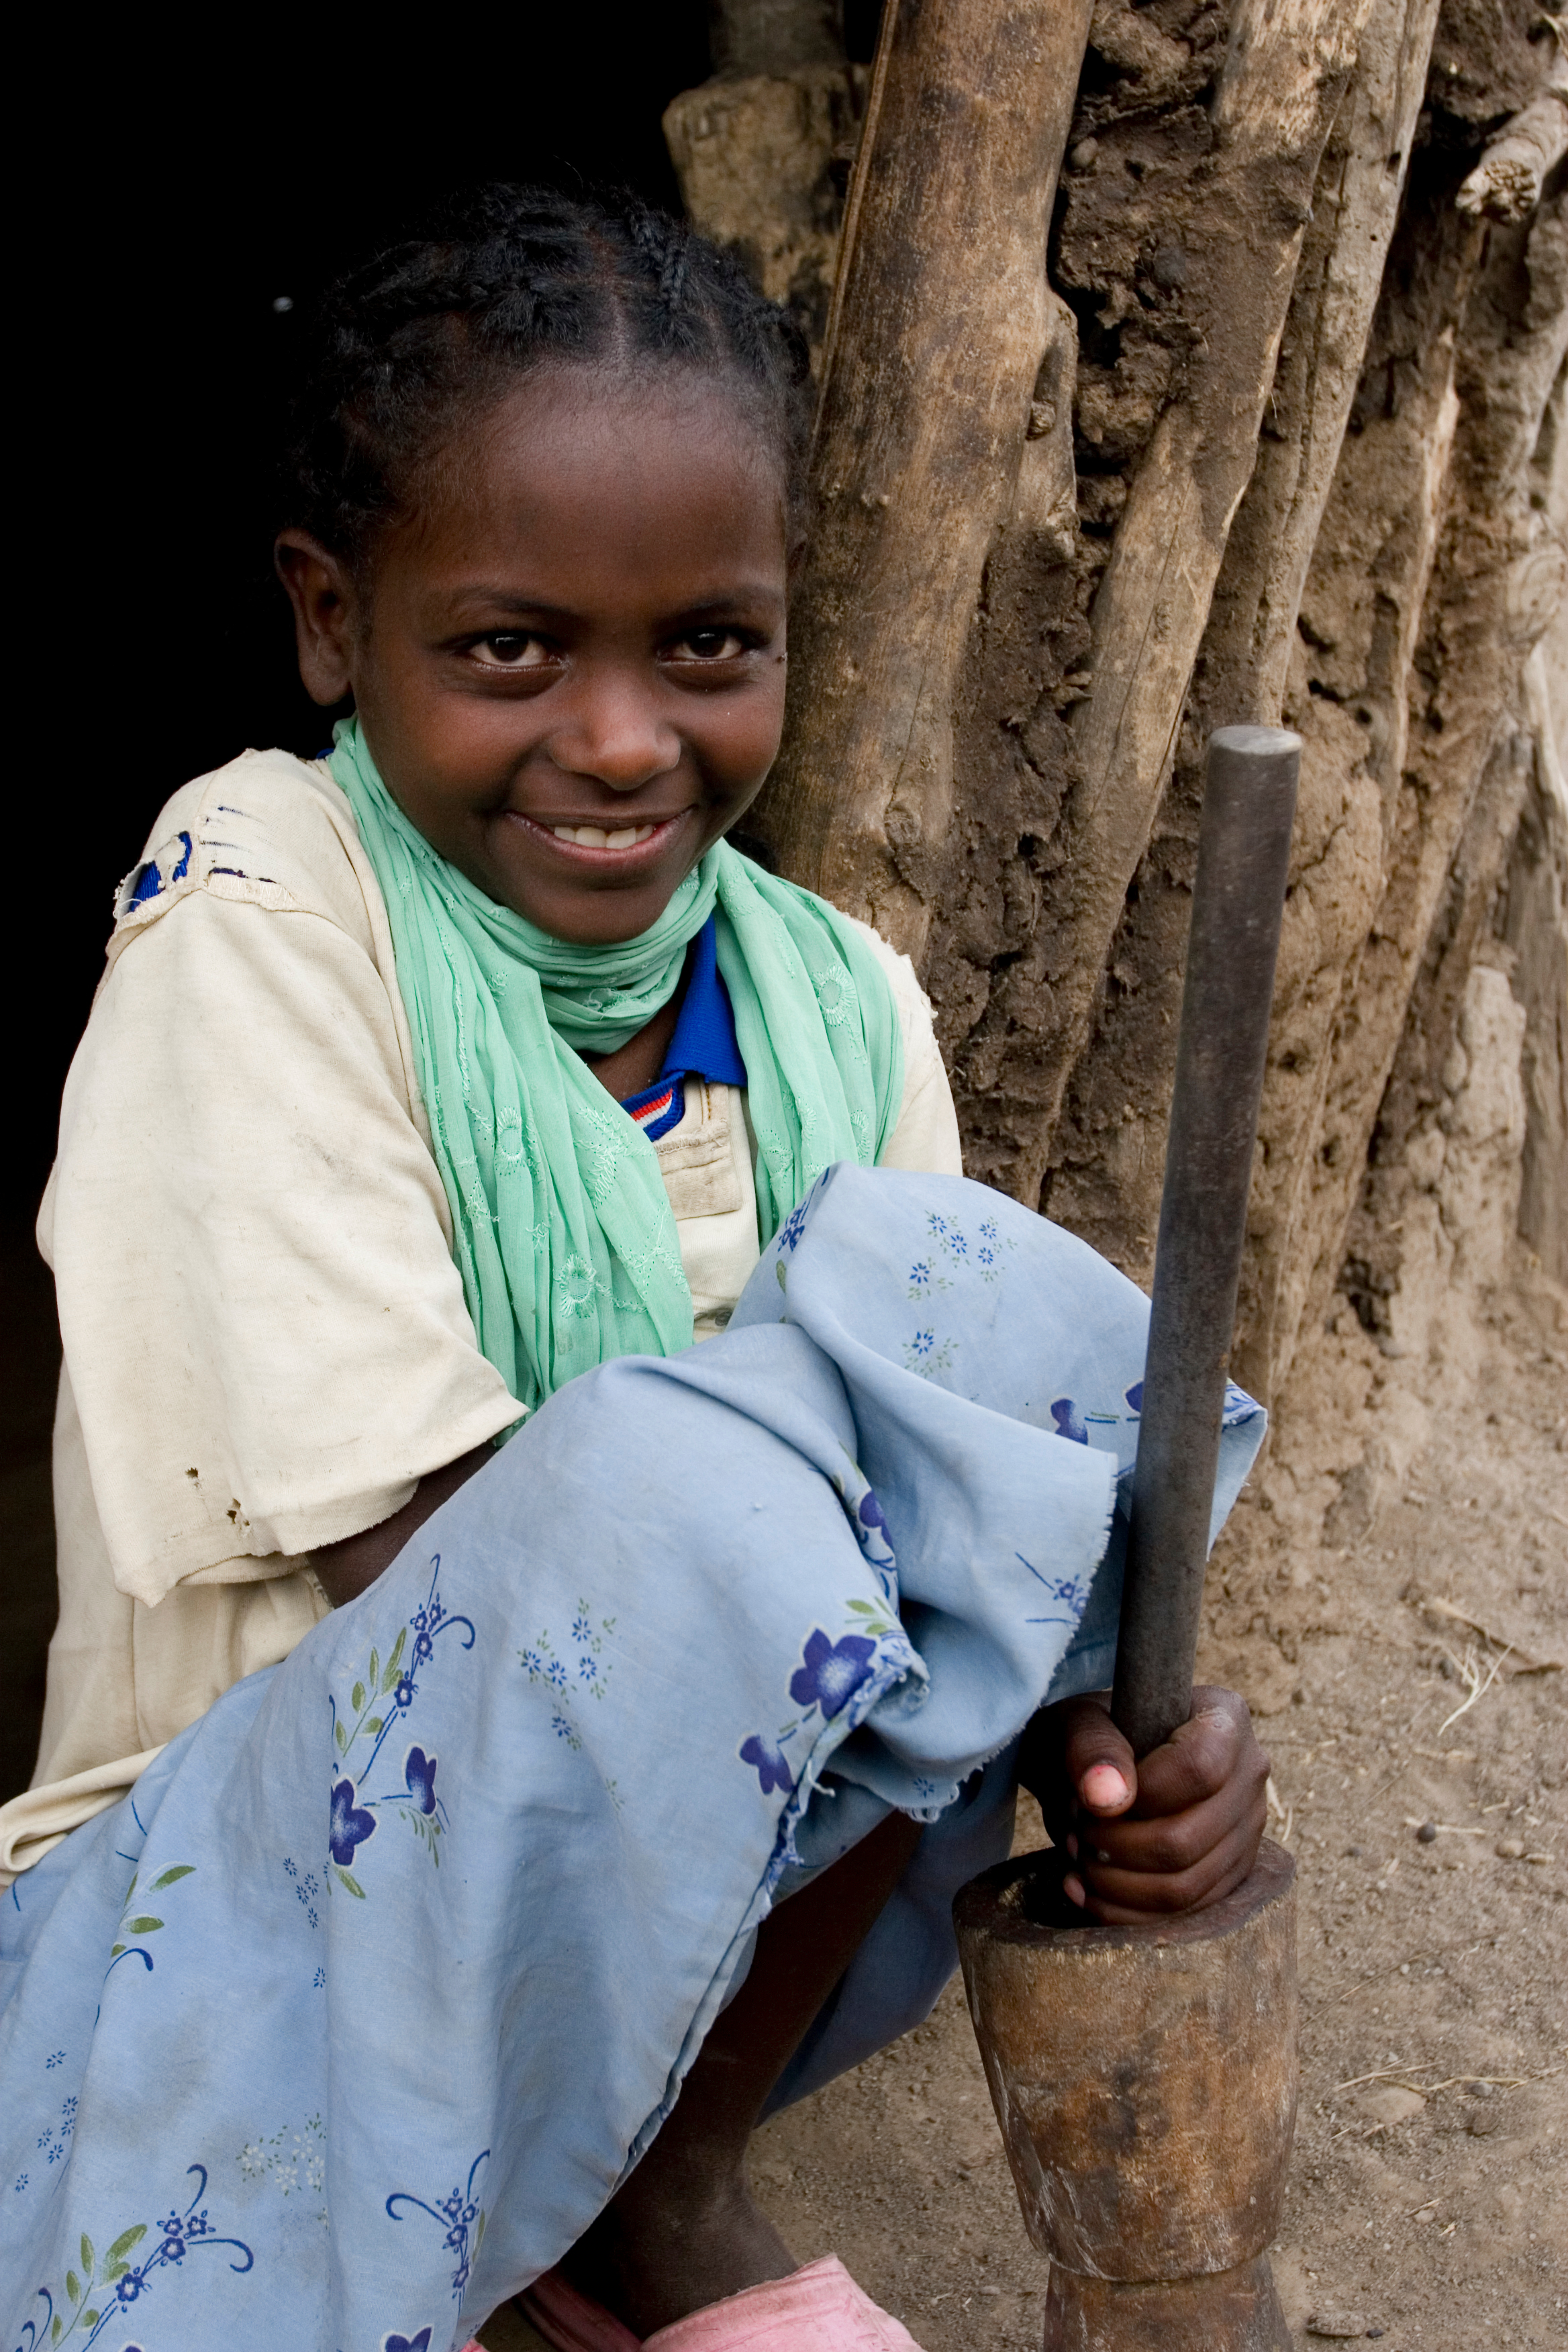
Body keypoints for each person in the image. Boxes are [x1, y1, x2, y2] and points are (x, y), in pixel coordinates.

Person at [1, 187, 1270, 2352]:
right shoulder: (258, 911)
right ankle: (500, 2221)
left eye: (705, 645)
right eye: (510, 647)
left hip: (670, 1946)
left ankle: (651, 2179)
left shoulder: (836, 1001)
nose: (617, 739)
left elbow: (969, 1524)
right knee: (716, 1491)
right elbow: (463, 1565)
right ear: (332, 622)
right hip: (221, 1946)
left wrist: (1110, 1748)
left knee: (996, 1347)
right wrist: (865, 1569)